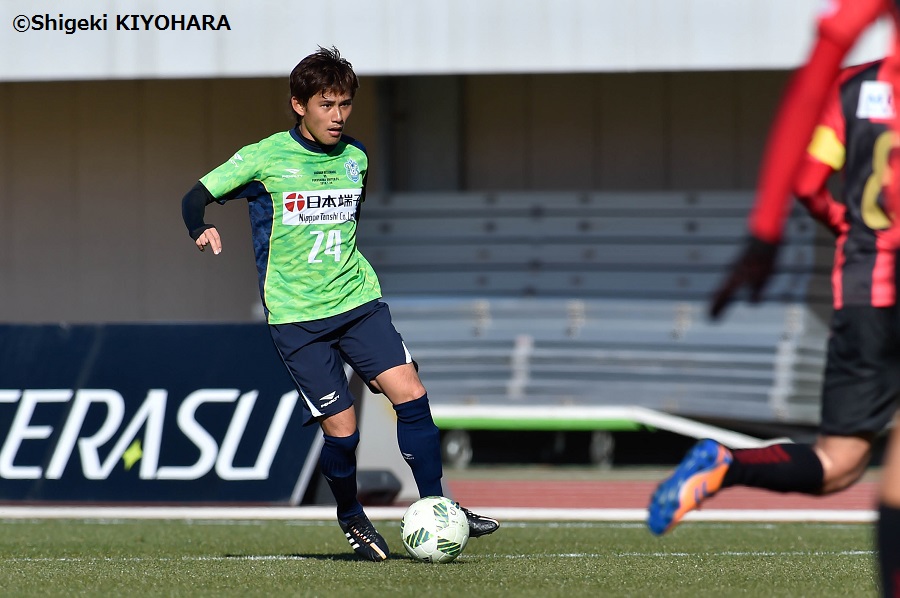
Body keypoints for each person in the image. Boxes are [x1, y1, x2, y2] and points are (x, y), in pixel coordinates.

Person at [180, 46, 499, 562]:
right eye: (326, 104)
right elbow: (193, 196)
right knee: (343, 431)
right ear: (298, 105)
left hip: (358, 302)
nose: (338, 115)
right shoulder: (263, 158)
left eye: (345, 104)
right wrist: (200, 227)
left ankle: (439, 505)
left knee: (411, 393)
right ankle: (351, 515)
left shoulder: (356, 158)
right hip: (297, 319)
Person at [645, 3, 900, 595]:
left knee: (839, 464)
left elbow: (809, 182)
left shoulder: (854, 87)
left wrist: (819, 228)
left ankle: (729, 463)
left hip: (866, 290)